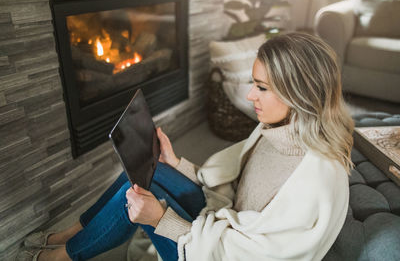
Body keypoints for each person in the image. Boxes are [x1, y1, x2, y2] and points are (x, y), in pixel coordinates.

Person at [17, 32, 354, 261]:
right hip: (223, 223)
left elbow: (251, 255)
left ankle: (59, 256)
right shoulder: (277, 129)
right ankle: (71, 233)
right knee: (146, 170)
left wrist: (162, 220)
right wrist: (176, 163)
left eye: (262, 88)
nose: (250, 95)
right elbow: (235, 183)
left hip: (219, 252)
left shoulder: (316, 179)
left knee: (135, 199)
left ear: (299, 95)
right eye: (254, 83)